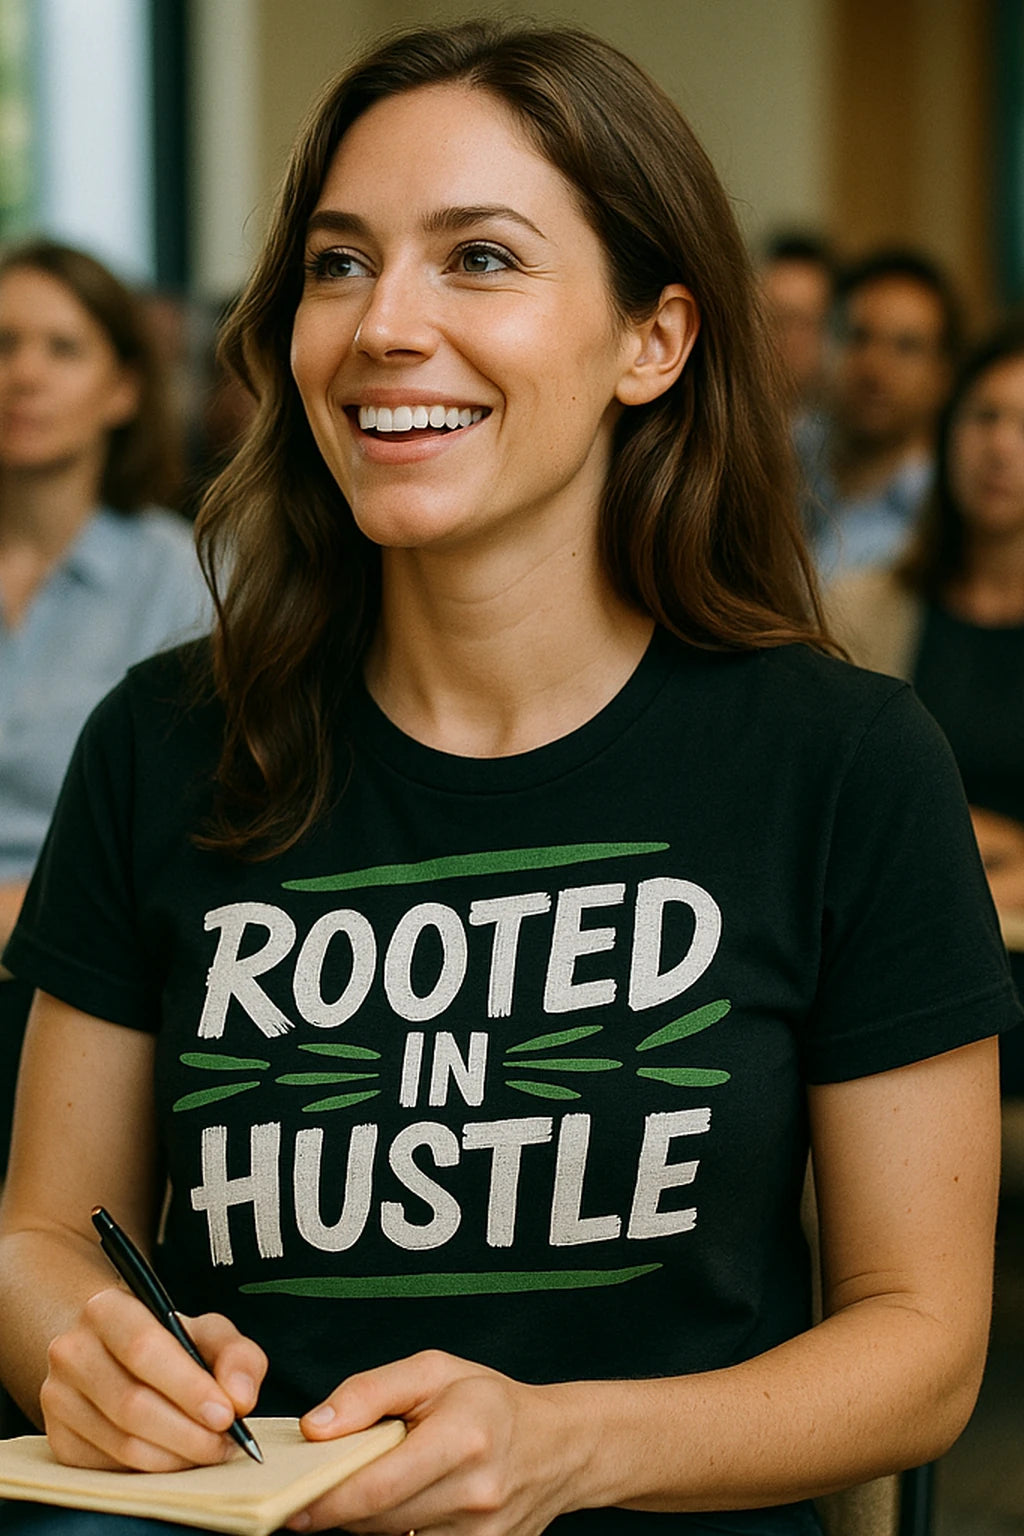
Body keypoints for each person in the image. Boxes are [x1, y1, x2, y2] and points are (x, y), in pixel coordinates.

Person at [0, 20, 1018, 1536]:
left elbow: (921, 1351)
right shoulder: (165, 741)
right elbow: (36, 1236)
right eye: (339, 264)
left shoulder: (843, 761)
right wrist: (84, 1355)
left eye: (478, 258)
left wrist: (560, 1449)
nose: (383, 326)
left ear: (651, 341)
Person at [0, 239, 208, 1172]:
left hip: (81, 972)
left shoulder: (184, 581)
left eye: (62, 348)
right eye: (2, 344)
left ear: (125, 390)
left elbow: (186, 840)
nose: (23, 375)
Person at [827, 317, 1024, 1088]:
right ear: (948, 430)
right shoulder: (860, 607)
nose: (1001, 447)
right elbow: (836, 823)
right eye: (985, 416)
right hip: (897, 972)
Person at [801, 248, 961, 579]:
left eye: (905, 347)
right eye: (858, 337)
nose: (874, 367)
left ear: (943, 374)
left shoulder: (951, 518)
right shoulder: (777, 466)